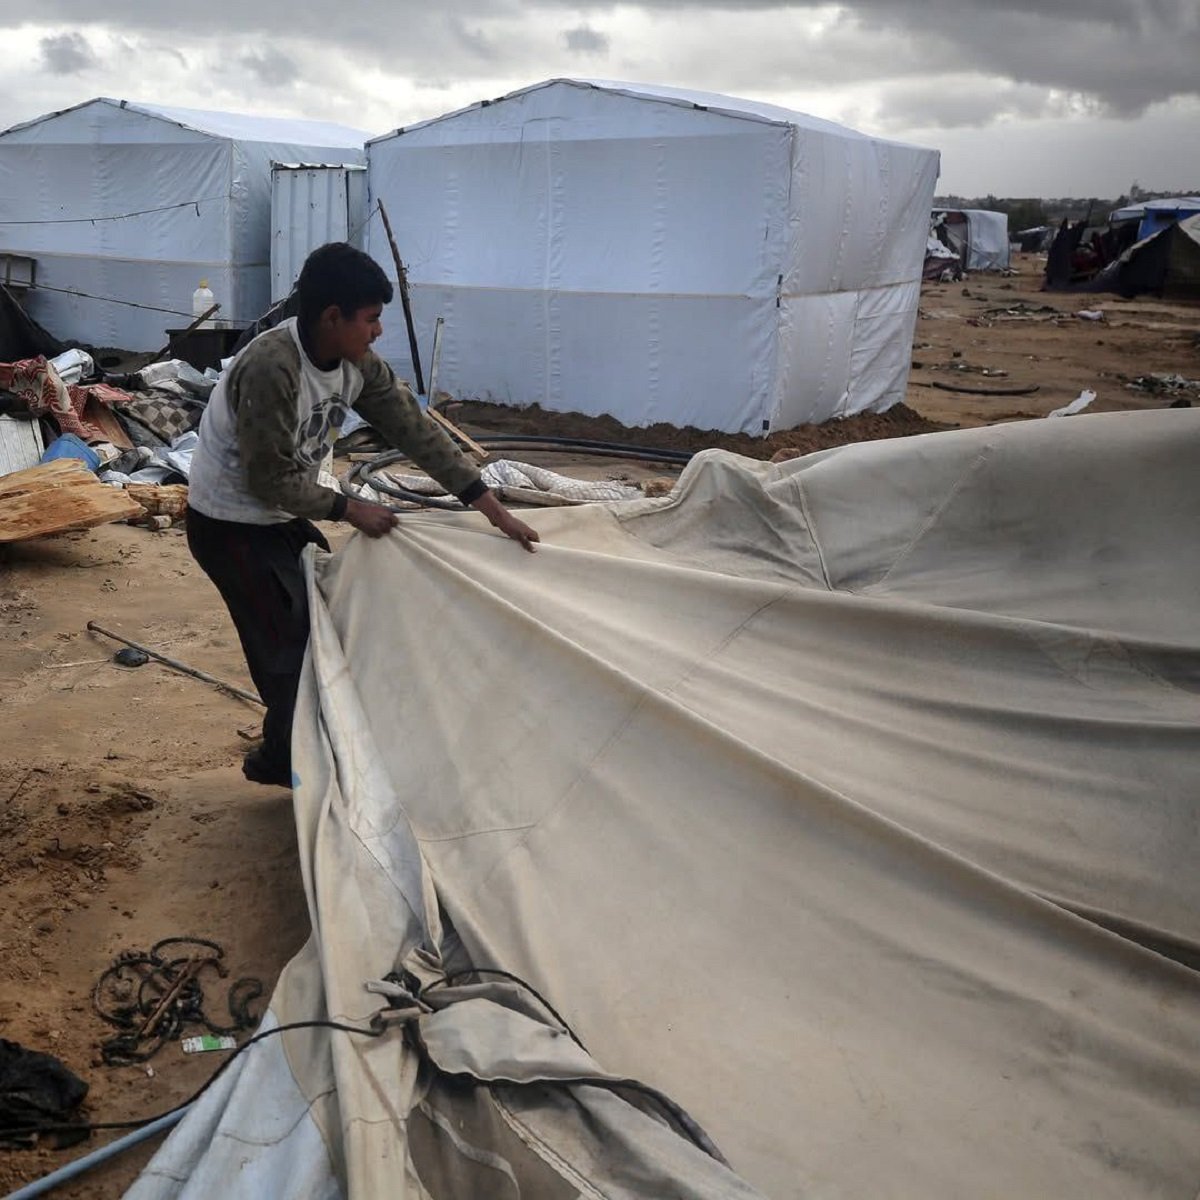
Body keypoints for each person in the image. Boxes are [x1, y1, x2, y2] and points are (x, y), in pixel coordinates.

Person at [186, 242, 538, 787]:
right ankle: (290, 765)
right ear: (332, 317)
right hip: (229, 524)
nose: (377, 333)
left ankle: (293, 751)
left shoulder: (358, 366)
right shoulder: (271, 367)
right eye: (371, 320)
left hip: (281, 516)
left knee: (334, 626)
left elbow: (413, 429)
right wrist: (350, 508)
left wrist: (488, 505)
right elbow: (269, 479)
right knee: (293, 653)